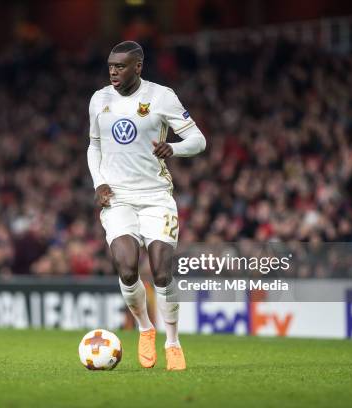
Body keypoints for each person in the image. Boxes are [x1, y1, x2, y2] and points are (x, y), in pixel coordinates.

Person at [87, 41, 206, 370]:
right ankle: (145, 329)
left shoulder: (161, 96)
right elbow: (93, 146)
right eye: (110, 65)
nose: (113, 71)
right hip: (119, 198)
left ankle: (173, 341)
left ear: (138, 66)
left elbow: (198, 139)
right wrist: (99, 182)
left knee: (162, 271)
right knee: (126, 268)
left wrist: (174, 148)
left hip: (155, 196)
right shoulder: (99, 99)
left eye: (120, 66)